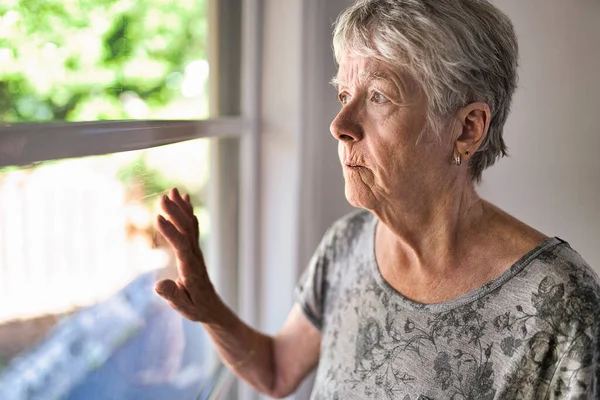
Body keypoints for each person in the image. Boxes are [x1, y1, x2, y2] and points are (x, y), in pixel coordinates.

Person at [154, 0, 600, 398]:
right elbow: (277, 372)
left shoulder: (559, 303)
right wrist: (209, 308)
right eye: (344, 95)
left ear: (466, 129)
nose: (339, 124)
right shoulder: (345, 245)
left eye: (379, 96)